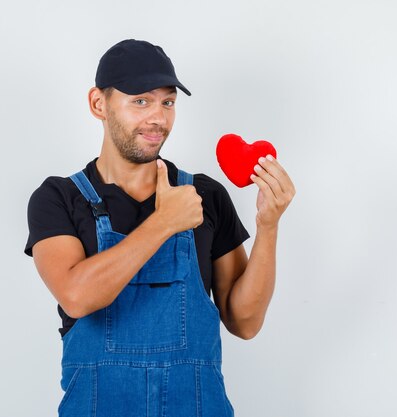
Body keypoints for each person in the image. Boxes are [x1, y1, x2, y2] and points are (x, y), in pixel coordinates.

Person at [24, 39, 295, 417]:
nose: (158, 118)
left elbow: (244, 322)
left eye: (167, 102)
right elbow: (77, 295)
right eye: (141, 101)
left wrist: (268, 227)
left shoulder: (205, 195)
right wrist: (164, 223)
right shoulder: (59, 198)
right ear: (98, 104)